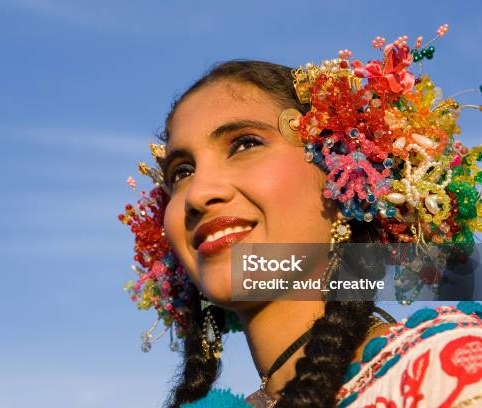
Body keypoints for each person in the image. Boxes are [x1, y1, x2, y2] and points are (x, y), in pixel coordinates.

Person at [119, 27, 482, 407]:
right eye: (181, 172)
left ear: (343, 175)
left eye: (245, 144)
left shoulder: (449, 371)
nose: (197, 194)